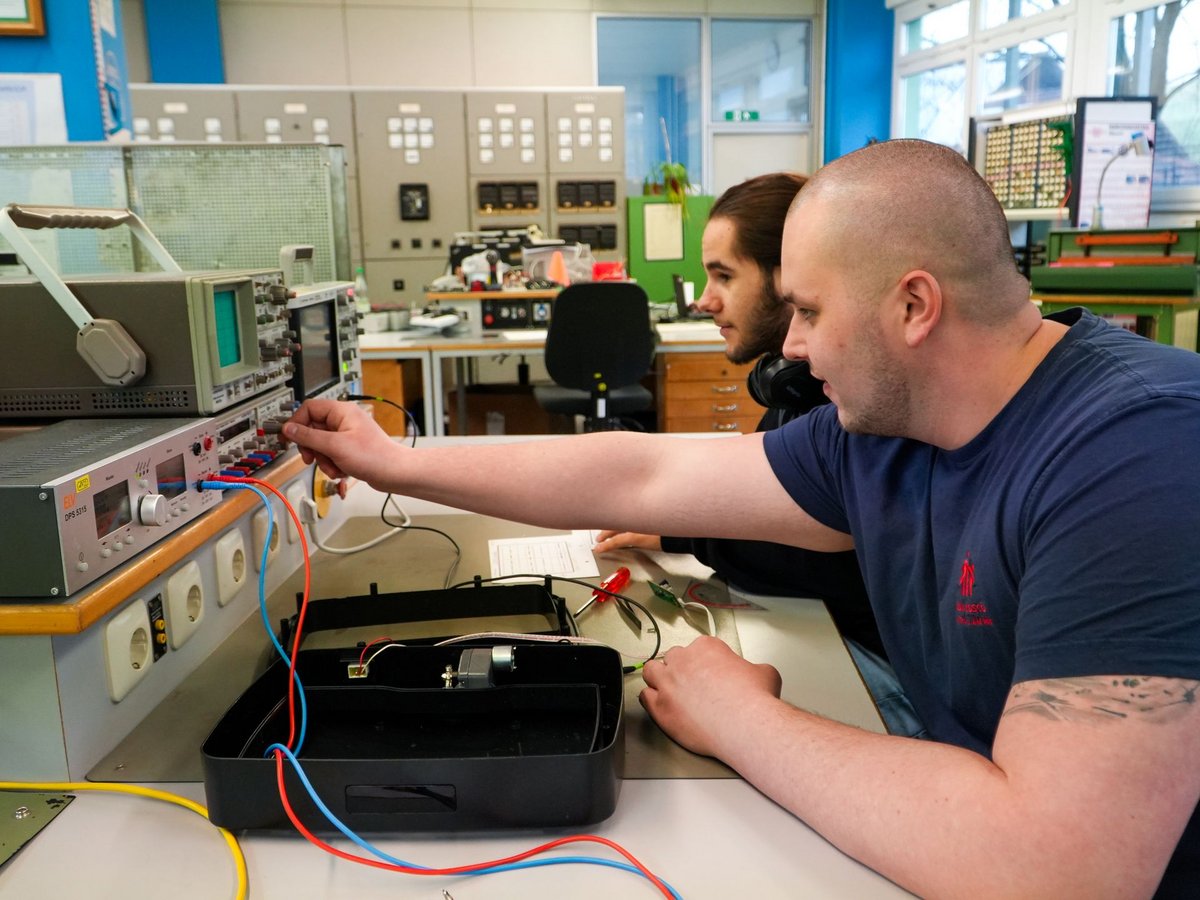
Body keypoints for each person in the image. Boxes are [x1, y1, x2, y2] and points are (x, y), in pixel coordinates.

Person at [283, 139, 1200, 897]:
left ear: (914, 306)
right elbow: (645, 472)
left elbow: (1061, 869)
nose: (790, 344)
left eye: (809, 311)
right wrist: (398, 462)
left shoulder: (1139, 452)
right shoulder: (888, 427)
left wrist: (738, 718)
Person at [592, 172, 897, 720]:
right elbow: (762, 507)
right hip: (824, 633)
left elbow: (811, 557)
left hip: (868, 661)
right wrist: (677, 527)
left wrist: (686, 531)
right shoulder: (794, 389)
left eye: (724, 276)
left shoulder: (855, 405)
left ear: (787, 276)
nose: (704, 300)